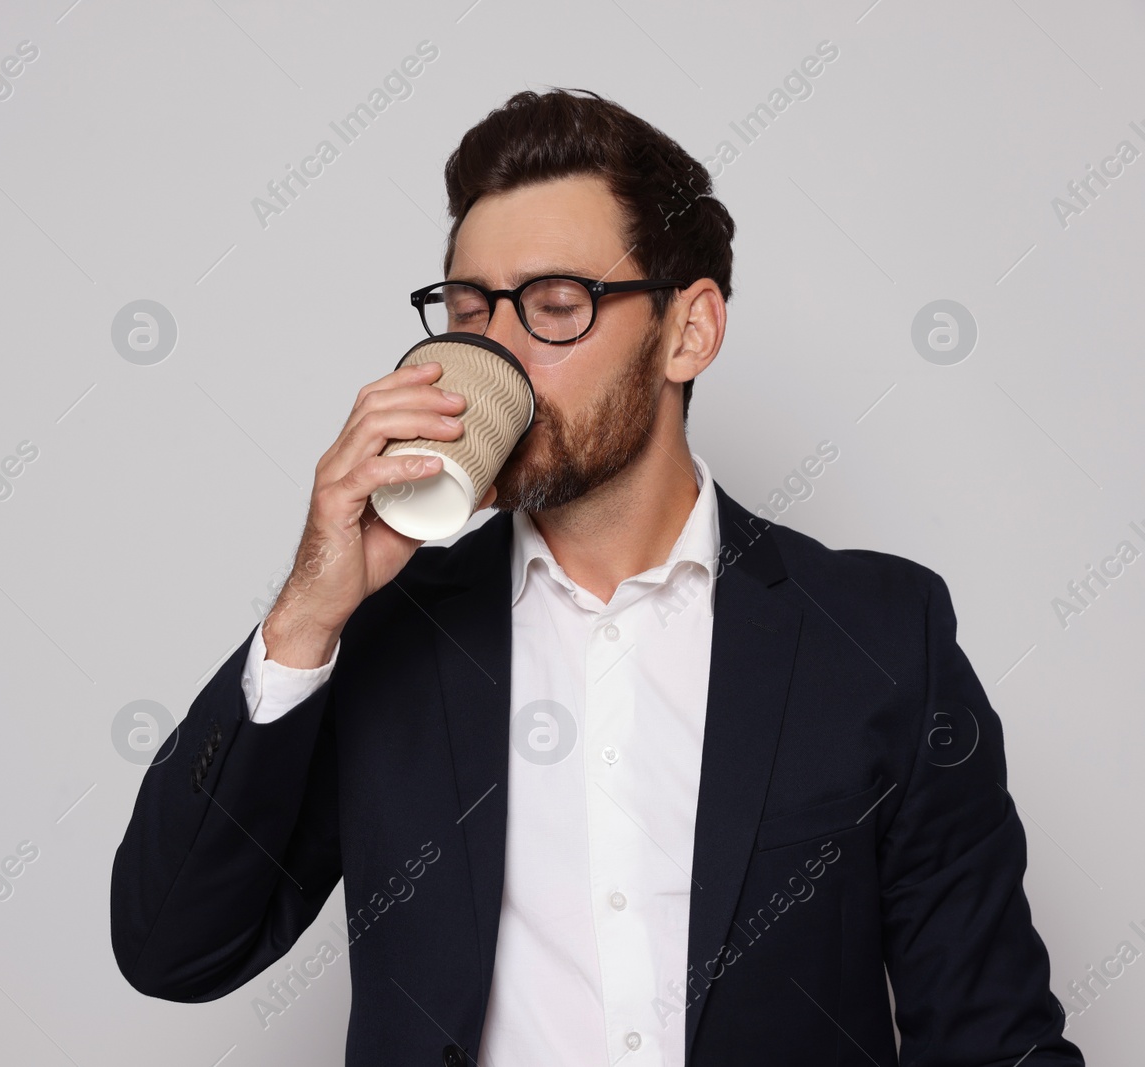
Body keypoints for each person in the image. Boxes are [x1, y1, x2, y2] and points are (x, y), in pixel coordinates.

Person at [110, 88, 1082, 1067]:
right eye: (468, 310)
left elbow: (991, 1036)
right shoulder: (386, 636)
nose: (495, 350)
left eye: (556, 307)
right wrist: (308, 611)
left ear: (687, 330)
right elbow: (173, 946)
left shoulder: (877, 635)